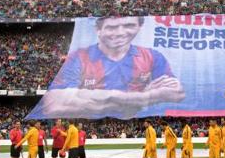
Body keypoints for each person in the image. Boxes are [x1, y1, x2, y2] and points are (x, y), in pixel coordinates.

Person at [39, 17, 185, 119]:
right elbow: (53, 104)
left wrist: (91, 98)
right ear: (98, 30)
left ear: (139, 27)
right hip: (89, 123)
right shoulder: (79, 57)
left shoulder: (152, 56)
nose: (120, 32)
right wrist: (143, 96)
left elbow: (176, 93)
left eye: (129, 26)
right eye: (112, 27)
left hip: (134, 120)